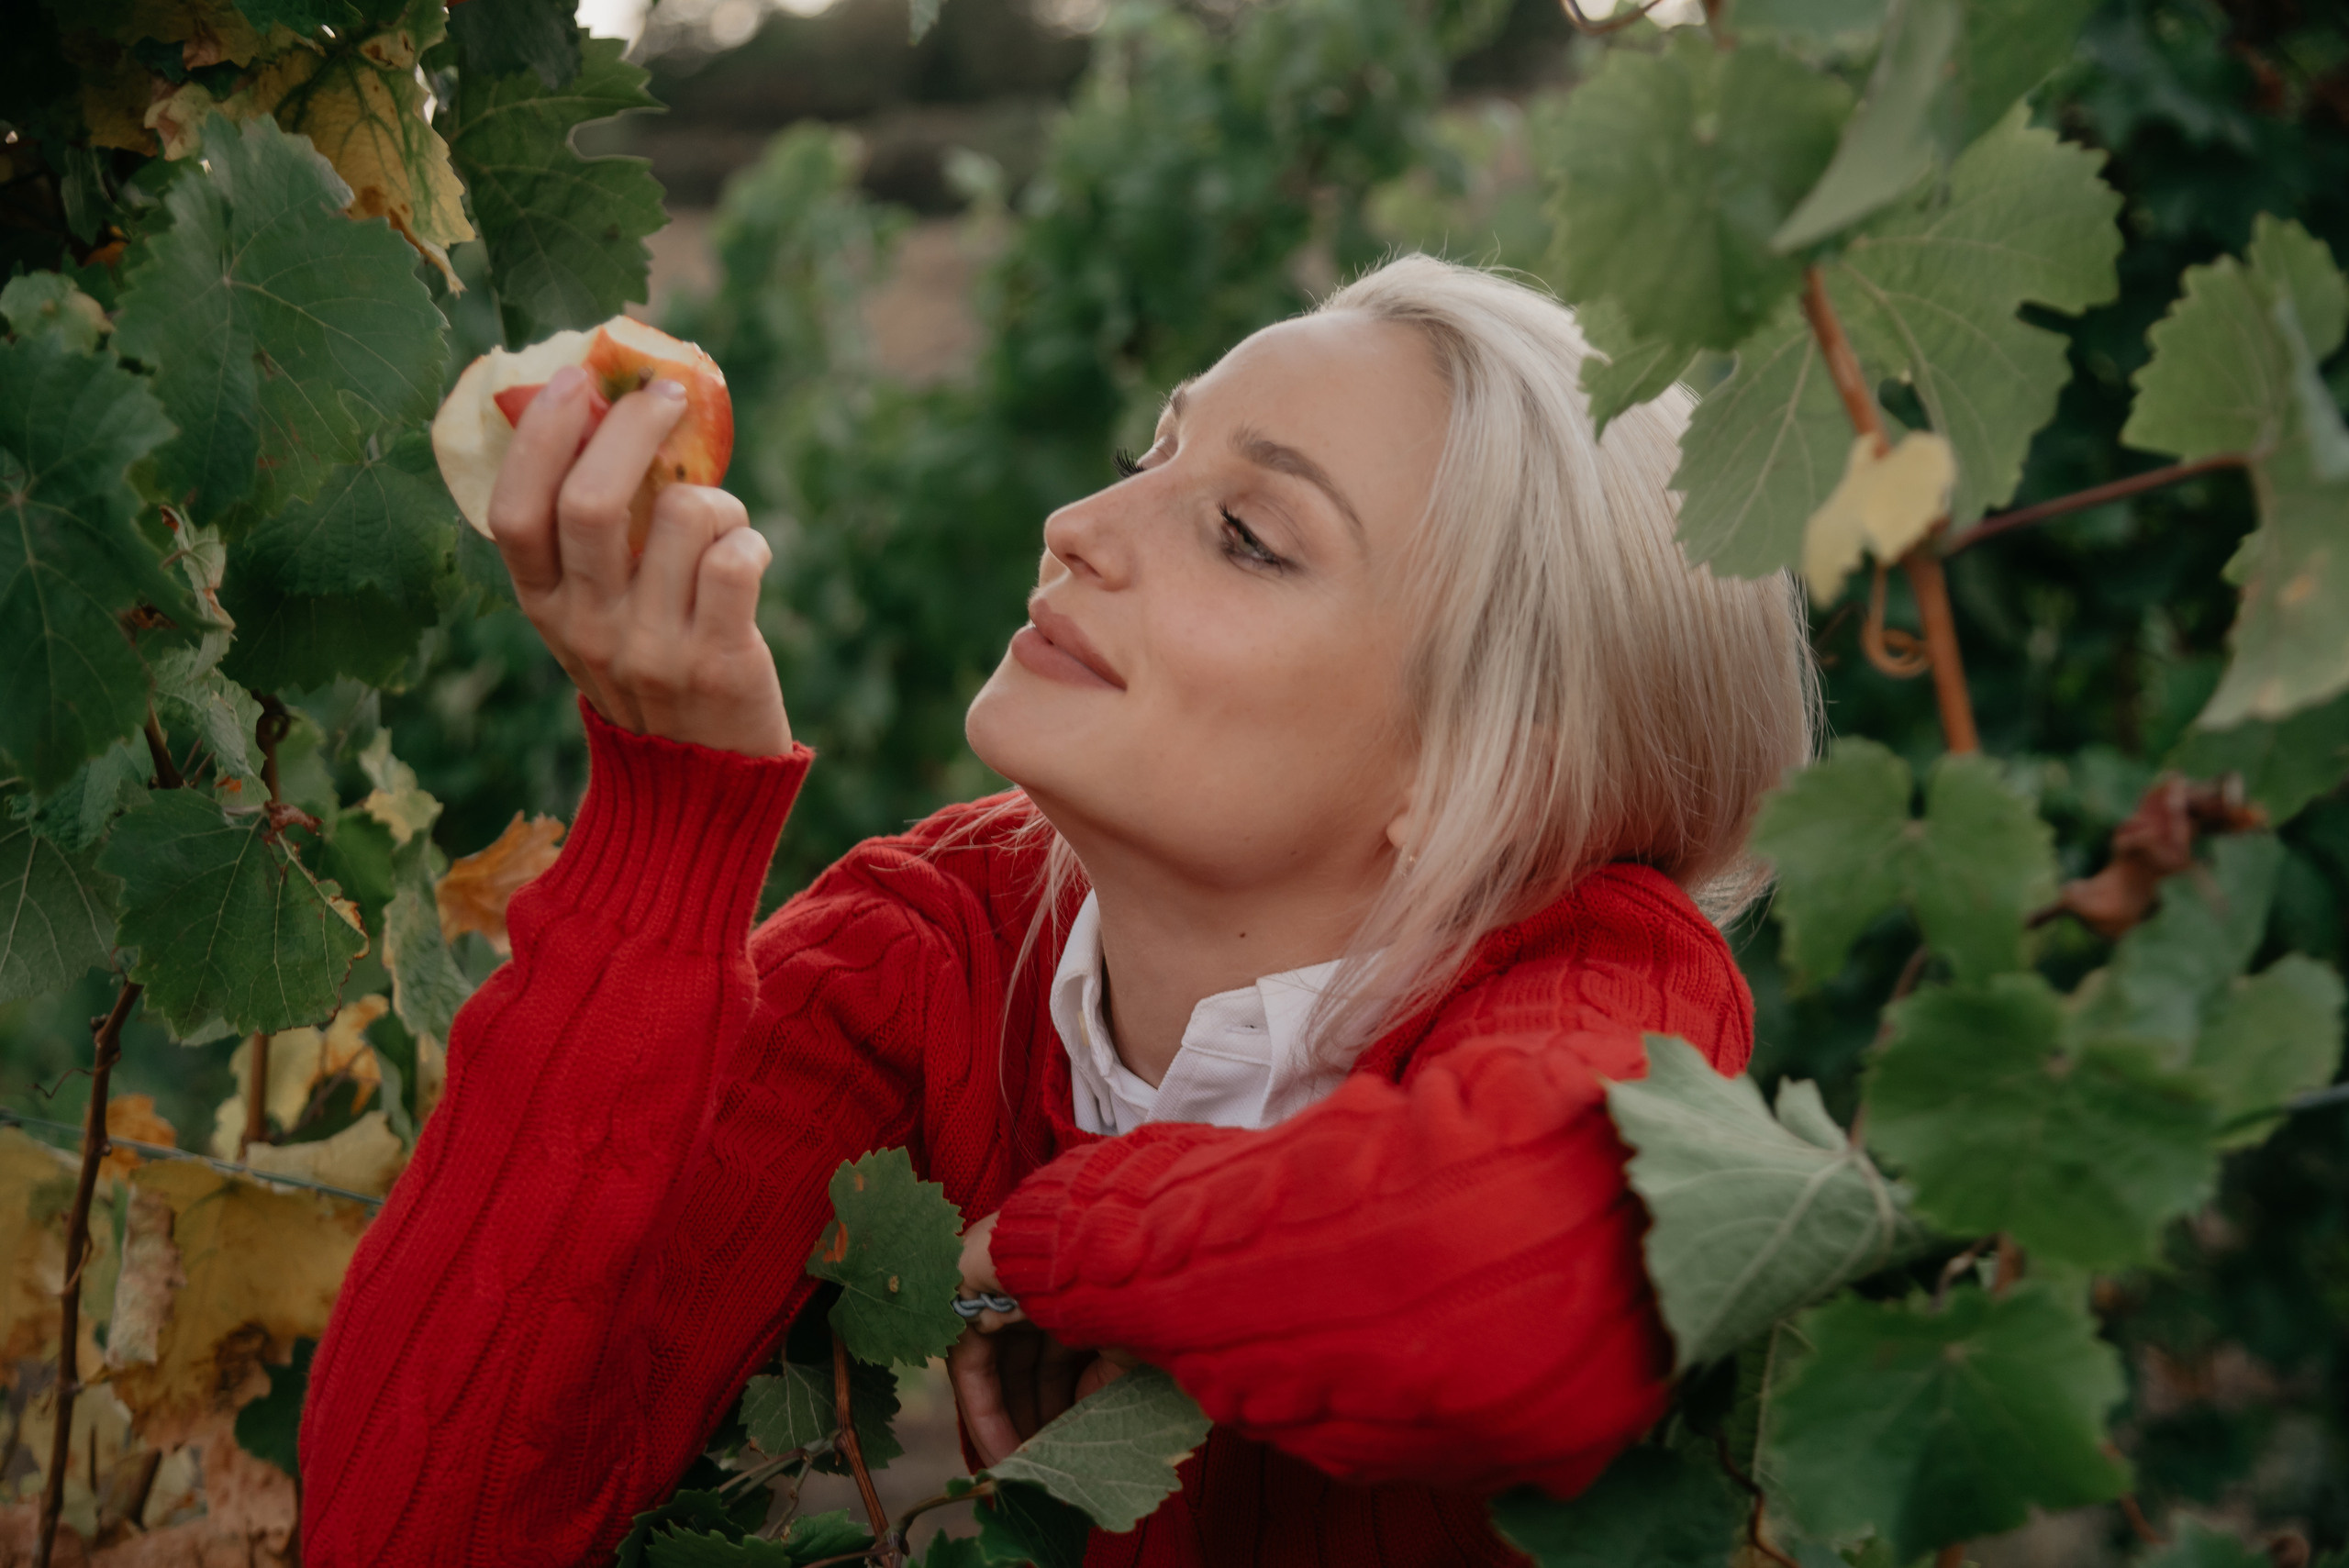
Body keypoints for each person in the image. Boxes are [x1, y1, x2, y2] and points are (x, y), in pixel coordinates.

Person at [298, 254, 1816, 1567]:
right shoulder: (936, 952)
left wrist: (1036, 1248)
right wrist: (674, 802)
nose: (1081, 522)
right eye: (1153, 454)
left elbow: (1512, 1292)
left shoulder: (1600, 972)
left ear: (1487, 765)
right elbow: (419, 1525)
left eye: (1247, 533)